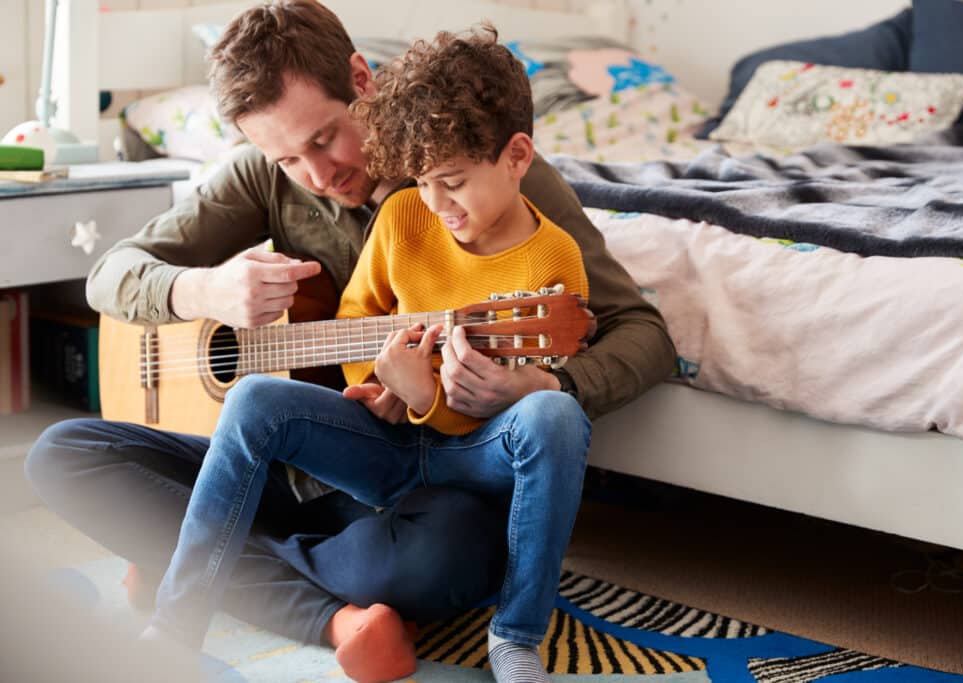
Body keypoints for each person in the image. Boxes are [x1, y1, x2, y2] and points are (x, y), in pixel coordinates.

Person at [24, 0, 674, 670]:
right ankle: (328, 614)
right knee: (62, 456)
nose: (317, 173)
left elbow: (641, 331)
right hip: (294, 462)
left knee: (440, 562)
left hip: (423, 484)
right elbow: (110, 274)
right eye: (287, 158)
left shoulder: (481, 166)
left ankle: (198, 553)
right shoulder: (264, 175)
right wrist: (204, 289)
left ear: (362, 80)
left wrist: (550, 383)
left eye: (325, 138)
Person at [142, 27, 592, 683]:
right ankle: (177, 620)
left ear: (518, 156)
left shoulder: (553, 256)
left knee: (556, 416)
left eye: (454, 182)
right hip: (388, 440)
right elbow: (356, 316)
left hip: (475, 454)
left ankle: (516, 636)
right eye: (422, 183)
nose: (438, 205)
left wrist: (460, 392)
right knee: (249, 399)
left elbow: (541, 390)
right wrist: (382, 378)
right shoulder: (407, 214)